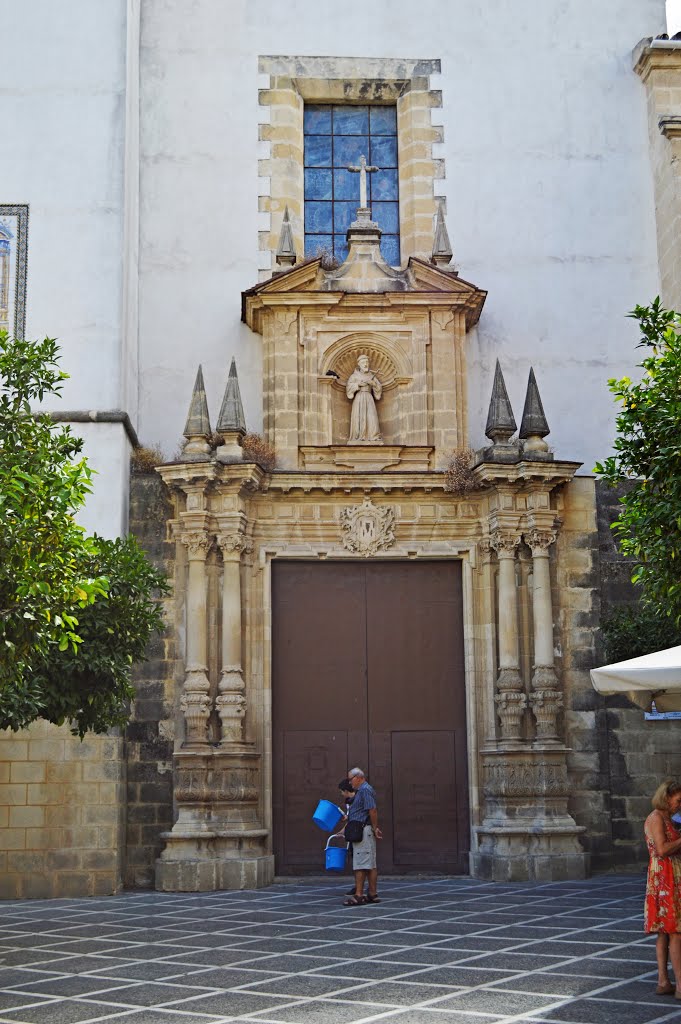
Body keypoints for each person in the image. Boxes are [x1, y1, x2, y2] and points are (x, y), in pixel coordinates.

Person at [644, 778, 681, 997]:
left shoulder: (670, 818)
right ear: (666, 798)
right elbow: (662, 849)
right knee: (675, 930)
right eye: (678, 800)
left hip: (670, 875)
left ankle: (663, 982)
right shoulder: (656, 817)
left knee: (665, 932)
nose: (680, 804)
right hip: (664, 876)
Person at [343, 767, 383, 906]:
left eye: (350, 779)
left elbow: (372, 809)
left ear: (359, 777)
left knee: (360, 864)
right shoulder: (362, 790)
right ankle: (372, 893)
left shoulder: (365, 789)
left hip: (363, 831)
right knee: (370, 864)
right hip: (364, 830)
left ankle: (359, 895)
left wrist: (374, 827)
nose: (349, 782)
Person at [346, 355, 382, 444]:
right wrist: (358, 385)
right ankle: (358, 437)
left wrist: (373, 384)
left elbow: (379, 388)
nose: (365, 364)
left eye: (367, 362)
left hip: (369, 398)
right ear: (359, 364)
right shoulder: (354, 376)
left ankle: (373, 436)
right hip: (359, 398)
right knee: (359, 417)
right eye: (363, 362)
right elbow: (348, 388)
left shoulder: (371, 375)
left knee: (372, 417)